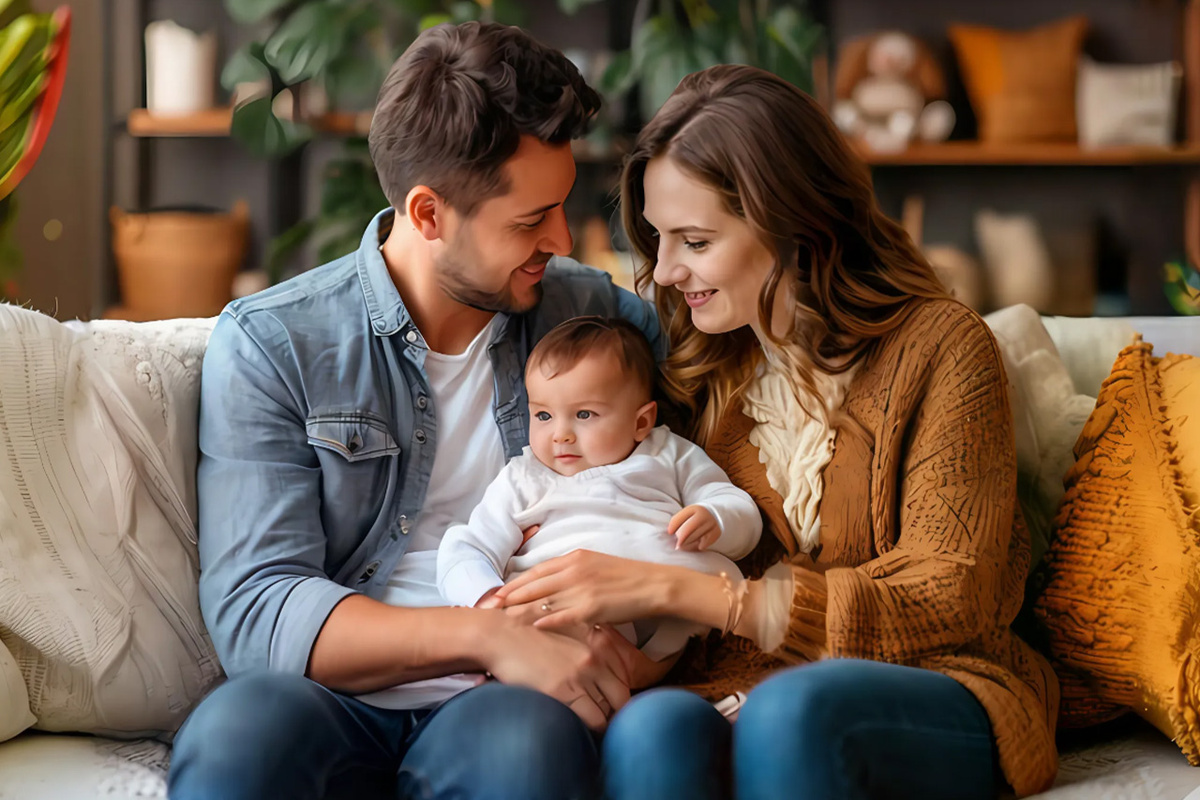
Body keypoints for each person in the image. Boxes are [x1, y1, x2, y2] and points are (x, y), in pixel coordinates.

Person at [491, 64, 1060, 800]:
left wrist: (719, 601)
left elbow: (952, 592)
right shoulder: (698, 373)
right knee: (651, 729)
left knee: (793, 713)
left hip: (936, 681)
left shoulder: (944, 349)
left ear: (791, 224)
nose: (663, 271)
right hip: (740, 688)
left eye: (694, 241)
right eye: (659, 239)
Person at [167, 21, 665, 800]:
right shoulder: (276, 342)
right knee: (237, 738)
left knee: (526, 753)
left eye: (562, 207)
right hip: (333, 696)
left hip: (501, 705)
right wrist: (487, 635)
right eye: (531, 220)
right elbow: (261, 609)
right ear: (428, 213)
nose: (563, 240)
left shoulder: (594, 318)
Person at [437, 316, 761, 665]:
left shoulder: (668, 453)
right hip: (559, 613)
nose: (561, 434)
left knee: (718, 590)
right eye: (543, 416)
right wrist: (486, 598)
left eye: (585, 414)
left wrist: (716, 518)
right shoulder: (524, 477)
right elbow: (468, 546)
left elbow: (736, 506)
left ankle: (652, 668)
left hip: (666, 598)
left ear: (641, 423)